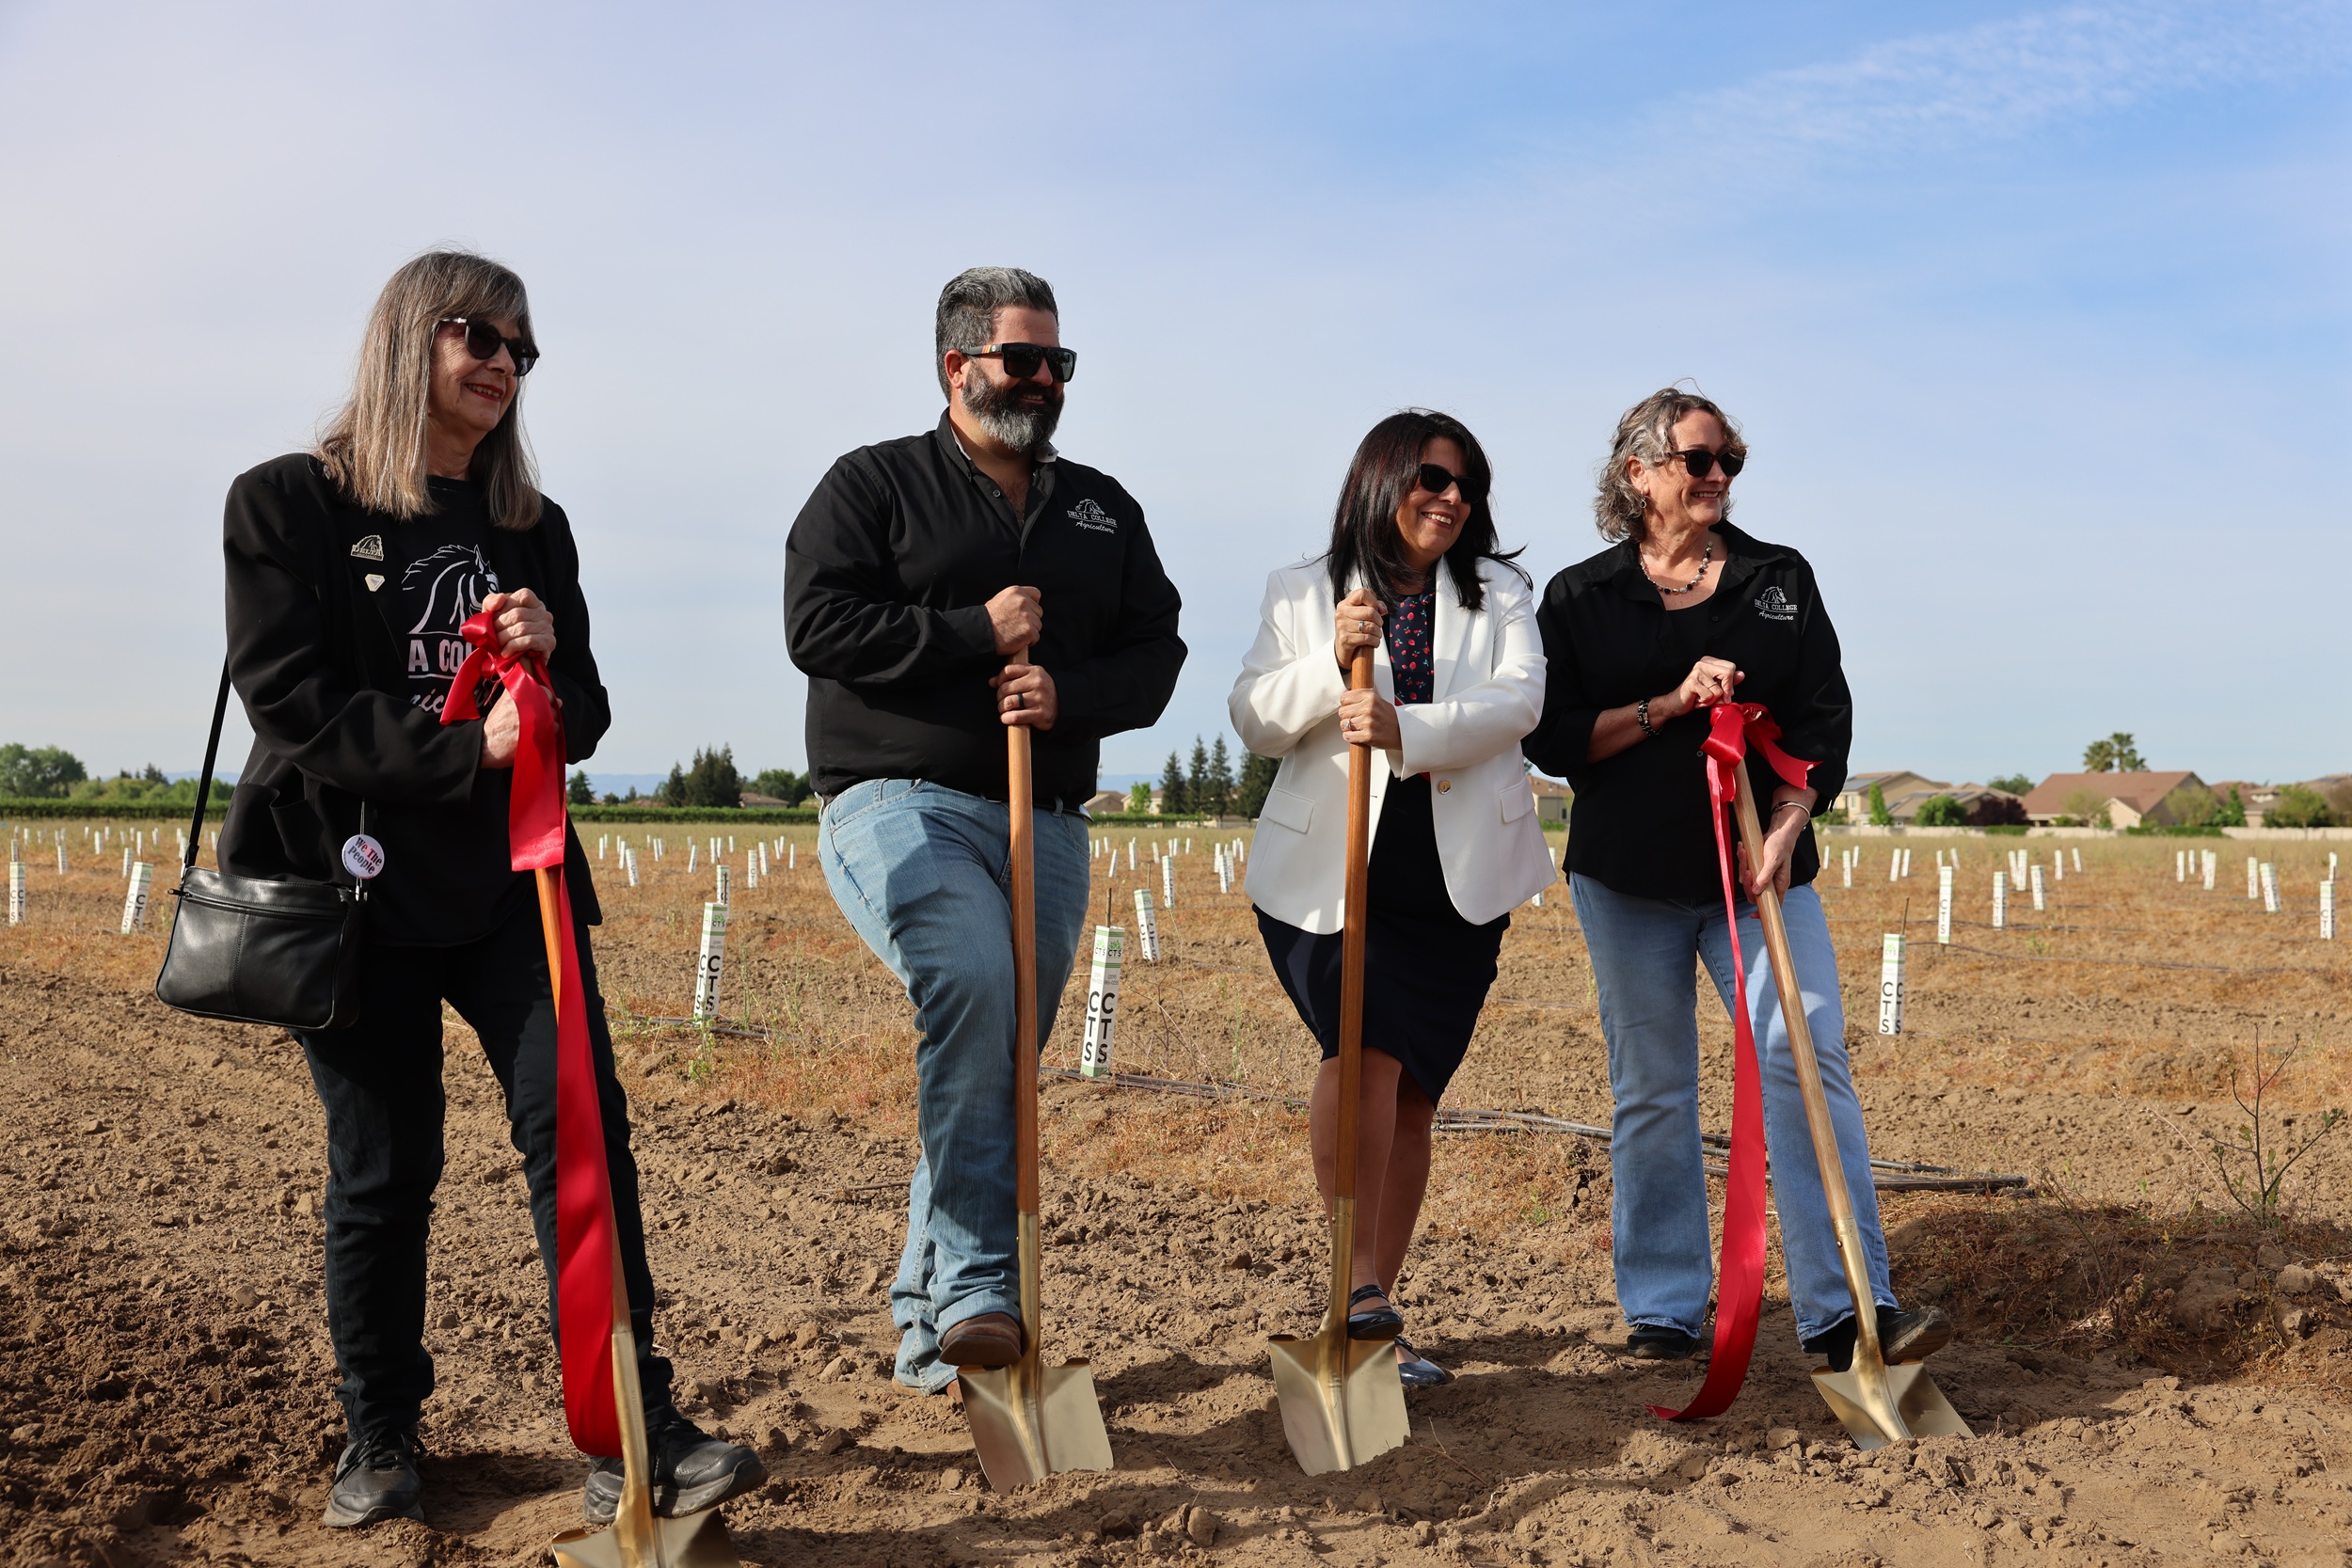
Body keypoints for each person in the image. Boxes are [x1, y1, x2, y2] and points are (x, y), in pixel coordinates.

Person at [219, 250, 763, 1530]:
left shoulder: (530, 526)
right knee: (383, 1164)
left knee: (581, 1138)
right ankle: (380, 1431)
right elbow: (290, 699)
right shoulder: (286, 503)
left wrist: (550, 667)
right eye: (478, 333)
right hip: (349, 890)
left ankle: (635, 1424)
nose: (503, 361)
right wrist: (467, 748)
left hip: (512, 884)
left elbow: (583, 718)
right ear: (410, 336)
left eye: (522, 346)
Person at [785, 266, 1184, 1395]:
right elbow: (817, 623)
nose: (1048, 381)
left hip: (1044, 814)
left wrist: (1067, 693)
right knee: (969, 981)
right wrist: (974, 631)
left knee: (996, 1052)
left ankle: (930, 1328)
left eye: (1061, 363)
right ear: (958, 365)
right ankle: (975, 1284)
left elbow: (1156, 654)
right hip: (897, 796)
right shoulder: (873, 485)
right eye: (1026, 360)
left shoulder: (1101, 506)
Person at [1521, 386, 1952, 1370]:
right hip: (1628, 881)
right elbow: (1553, 739)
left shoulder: (1777, 579)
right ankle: (1666, 1305)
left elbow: (1821, 719)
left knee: (1805, 1057)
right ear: (1638, 474)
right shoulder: (1580, 596)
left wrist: (1792, 818)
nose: (1716, 476)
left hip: (1761, 876)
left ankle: (1848, 1307)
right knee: (1653, 1086)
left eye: (1728, 462)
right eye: (1697, 460)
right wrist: (1670, 703)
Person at [1230, 410, 1553, 1387]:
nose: (1450, 498)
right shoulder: (1304, 589)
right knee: (1360, 1051)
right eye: (1430, 479)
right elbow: (1252, 717)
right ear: (1380, 482)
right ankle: (1354, 1290)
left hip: (1453, 879)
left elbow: (1519, 702)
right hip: (1330, 874)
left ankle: (1373, 1313)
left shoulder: (1498, 593)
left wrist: (1404, 724)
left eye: (1465, 485)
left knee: (1412, 1092)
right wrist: (1331, 662)